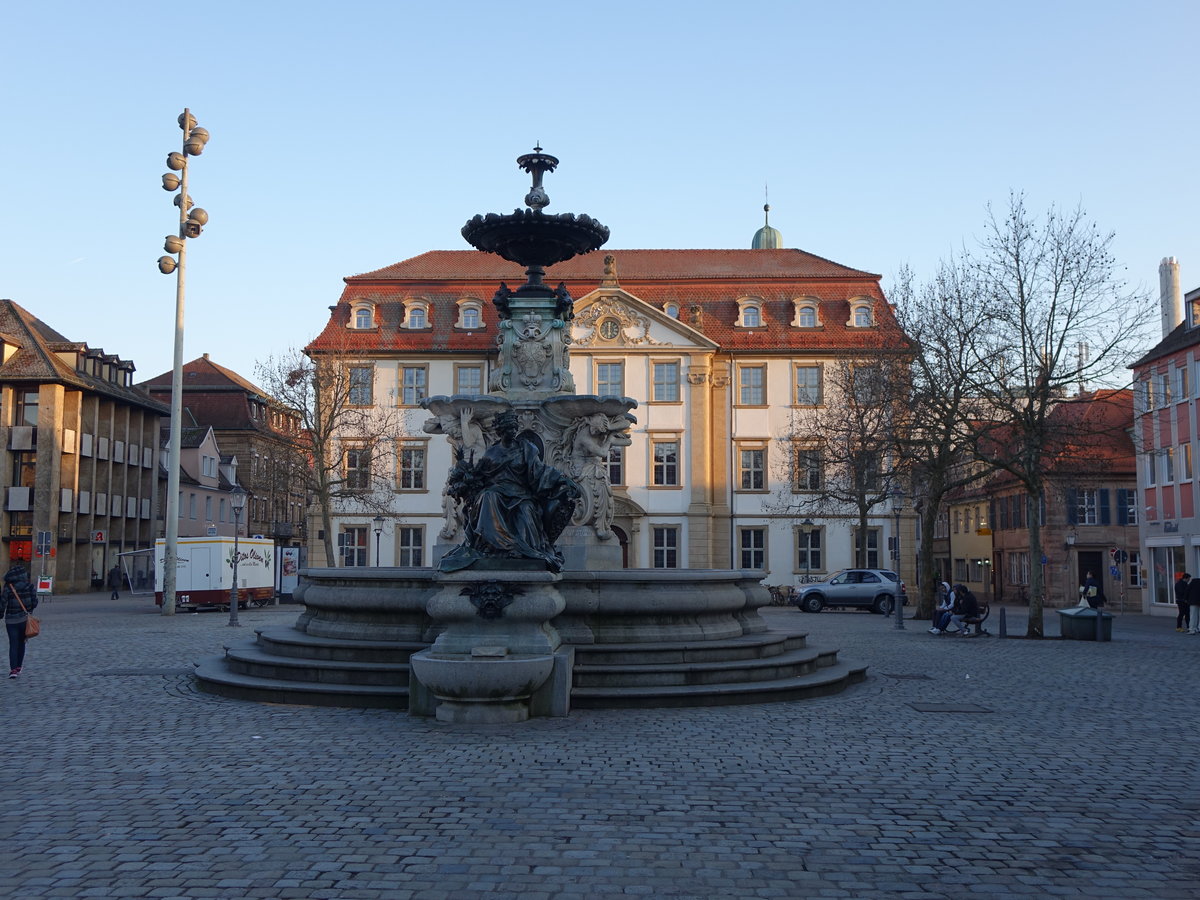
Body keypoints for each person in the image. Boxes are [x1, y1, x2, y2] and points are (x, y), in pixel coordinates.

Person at [439, 411, 581, 573]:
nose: (511, 432)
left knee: (526, 511)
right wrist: (465, 475)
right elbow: (480, 477)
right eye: (507, 429)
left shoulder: (526, 448)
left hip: (521, 494)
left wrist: (563, 480)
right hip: (496, 491)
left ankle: (520, 549)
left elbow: (540, 470)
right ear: (500, 431)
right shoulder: (492, 453)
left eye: (513, 429)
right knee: (487, 497)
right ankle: (492, 547)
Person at [3, 563, 38, 678]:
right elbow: (34, 602)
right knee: (22, 642)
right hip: (24, 619)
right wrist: (30, 609)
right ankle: (18, 667)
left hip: (11, 620)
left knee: (13, 644)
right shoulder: (29, 586)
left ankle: (13, 670)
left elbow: (2, 603)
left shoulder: (8, 586)